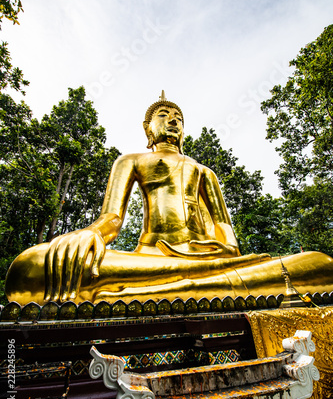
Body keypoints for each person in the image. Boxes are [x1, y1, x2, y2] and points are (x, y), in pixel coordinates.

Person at [5, 92, 333, 305]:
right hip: (151, 260)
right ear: (148, 128)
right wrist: (90, 235)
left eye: (178, 117)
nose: (173, 119)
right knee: (30, 269)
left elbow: (227, 235)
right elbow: (112, 219)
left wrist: (222, 255)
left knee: (320, 264)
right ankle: (192, 290)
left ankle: (155, 294)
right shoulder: (131, 161)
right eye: (164, 114)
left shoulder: (203, 171)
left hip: (211, 262)